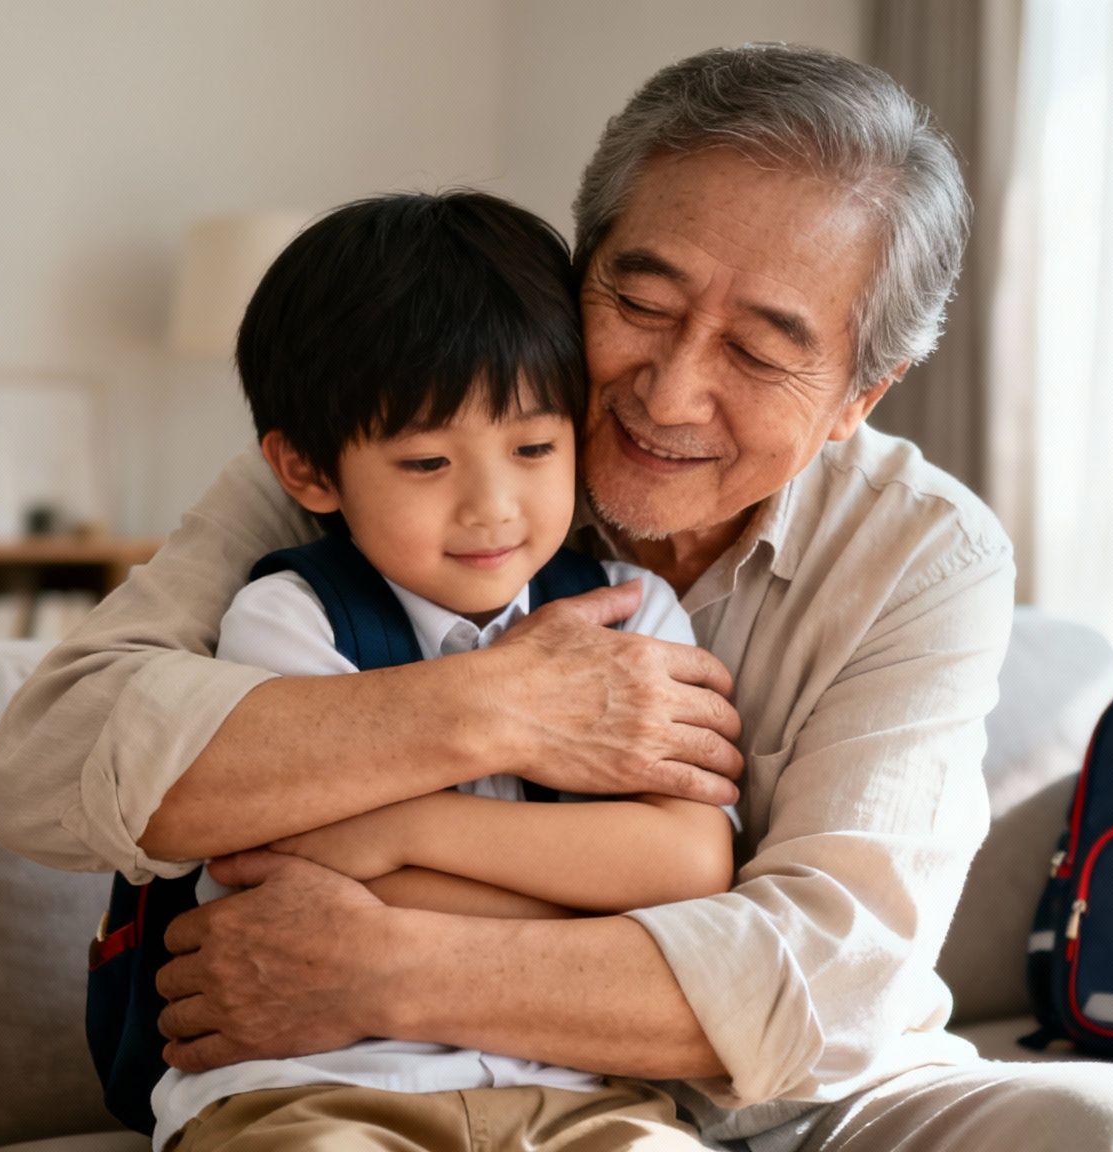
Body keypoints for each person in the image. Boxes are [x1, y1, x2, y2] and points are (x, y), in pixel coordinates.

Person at [0, 43, 1113, 1152]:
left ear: (860, 393)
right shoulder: (399, 460)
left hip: (798, 1100)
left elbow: (826, 980)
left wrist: (388, 968)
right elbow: (49, 769)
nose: (668, 391)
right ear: (574, 269)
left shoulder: (923, 553)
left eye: (756, 348)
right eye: (638, 303)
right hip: (385, 1086)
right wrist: (491, 709)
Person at [140, 189, 734, 1149]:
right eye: (426, 464)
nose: (493, 509)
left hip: (583, 1095)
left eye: (534, 446)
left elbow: (692, 865)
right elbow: (297, 885)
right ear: (307, 471)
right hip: (313, 1086)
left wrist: (402, 831)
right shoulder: (291, 620)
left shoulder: (632, 612)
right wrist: (596, 907)